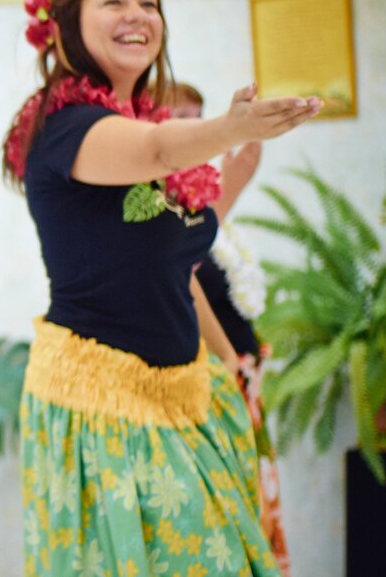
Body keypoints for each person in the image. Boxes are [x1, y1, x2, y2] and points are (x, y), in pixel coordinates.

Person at [3, 0, 320, 576]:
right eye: (114, 1)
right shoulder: (69, 128)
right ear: (66, 27)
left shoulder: (142, 129)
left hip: (185, 393)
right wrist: (227, 127)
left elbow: (169, 265)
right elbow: (150, 151)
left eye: (149, 3)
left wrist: (230, 362)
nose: (137, 15)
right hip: (102, 403)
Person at [170, 82, 291, 576]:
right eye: (180, 116)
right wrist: (226, 361)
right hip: (210, 389)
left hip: (240, 384)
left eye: (200, 117)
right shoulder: (153, 205)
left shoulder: (197, 207)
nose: (195, 128)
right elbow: (178, 273)